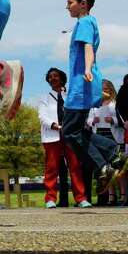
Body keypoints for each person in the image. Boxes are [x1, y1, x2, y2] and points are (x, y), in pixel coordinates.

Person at [63, 0, 128, 195]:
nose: (67, 7)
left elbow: (88, 47)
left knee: (69, 132)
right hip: (83, 83)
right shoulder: (89, 22)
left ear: (83, 3)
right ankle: (113, 154)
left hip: (81, 84)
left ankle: (104, 165)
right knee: (77, 131)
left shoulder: (83, 22)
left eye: (70, 2)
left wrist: (87, 68)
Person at [39, 68, 86, 208]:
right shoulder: (44, 97)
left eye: (56, 76)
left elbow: (78, 112)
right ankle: (50, 199)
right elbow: (42, 116)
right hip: (52, 136)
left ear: (61, 78)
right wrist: (55, 126)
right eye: (50, 77)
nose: (53, 78)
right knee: (51, 168)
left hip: (70, 135)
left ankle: (81, 198)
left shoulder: (70, 95)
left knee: (75, 166)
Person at [87, 80, 121, 206]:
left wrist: (113, 120)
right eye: (102, 89)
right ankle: (106, 197)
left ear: (111, 89)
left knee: (114, 166)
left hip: (112, 135)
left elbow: (121, 118)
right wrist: (92, 121)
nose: (104, 91)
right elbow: (89, 119)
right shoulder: (94, 104)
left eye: (107, 88)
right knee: (102, 168)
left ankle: (118, 195)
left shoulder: (115, 103)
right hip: (98, 134)